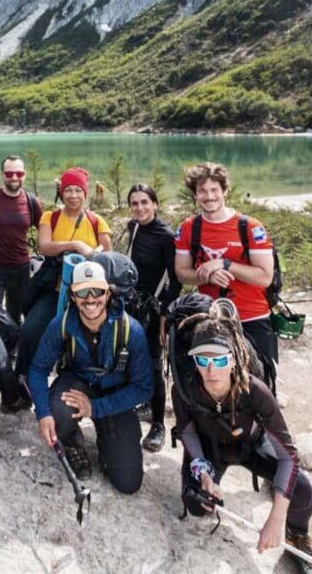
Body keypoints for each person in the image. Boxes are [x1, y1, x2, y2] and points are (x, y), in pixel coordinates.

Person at [173, 304, 312, 571]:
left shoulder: (255, 391)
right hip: (210, 448)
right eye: (203, 360)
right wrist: (204, 475)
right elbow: (188, 432)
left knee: (302, 489)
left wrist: (277, 517)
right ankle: (222, 482)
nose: (211, 370)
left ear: (234, 359)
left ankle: (296, 535)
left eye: (219, 359)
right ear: (194, 361)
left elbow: (288, 456)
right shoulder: (185, 389)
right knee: (195, 503)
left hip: (251, 446)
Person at [29, 260, 153, 492]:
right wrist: (44, 413)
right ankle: (72, 443)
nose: (90, 299)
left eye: (97, 290)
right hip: (77, 383)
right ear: (73, 296)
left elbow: (143, 387)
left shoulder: (131, 331)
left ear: (108, 293)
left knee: (128, 483)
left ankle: (109, 446)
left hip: (115, 394)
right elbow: (38, 369)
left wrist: (95, 408)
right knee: (59, 410)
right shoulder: (62, 325)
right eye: (82, 291)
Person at [173, 162, 278, 367]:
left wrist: (225, 264)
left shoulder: (250, 227)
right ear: (195, 194)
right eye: (202, 191)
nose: (209, 196)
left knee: (260, 383)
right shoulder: (188, 228)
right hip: (211, 318)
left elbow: (265, 277)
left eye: (214, 190)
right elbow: (182, 273)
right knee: (214, 383)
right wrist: (207, 275)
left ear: (225, 191)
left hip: (252, 317)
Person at [15, 167, 111, 390]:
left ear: (85, 193)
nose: (73, 195)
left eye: (78, 190)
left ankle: (80, 386)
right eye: (68, 190)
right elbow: (45, 247)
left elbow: (108, 257)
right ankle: (21, 383)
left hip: (87, 295)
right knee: (30, 330)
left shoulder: (97, 221)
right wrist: (75, 245)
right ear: (61, 192)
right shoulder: (51, 217)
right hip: (54, 289)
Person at [125, 183, 181, 453]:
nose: (140, 208)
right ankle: (143, 403)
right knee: (130, 357)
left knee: (153, 364)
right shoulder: (132, 227)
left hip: (153, 308)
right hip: (131, 303)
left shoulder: (166, 235)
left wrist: (164, 312)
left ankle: (158, 424)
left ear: (155, 204)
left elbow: (177, 279)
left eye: (145, 202)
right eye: (135, 203)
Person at [0, 155, 41, 325]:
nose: (14, 178)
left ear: (24, 175)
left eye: (18, 174)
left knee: (16, 314)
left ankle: (14, 349)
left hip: (20, 267)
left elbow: (46, 229)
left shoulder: (31, 202)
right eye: (9, 173)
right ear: (2, 175)